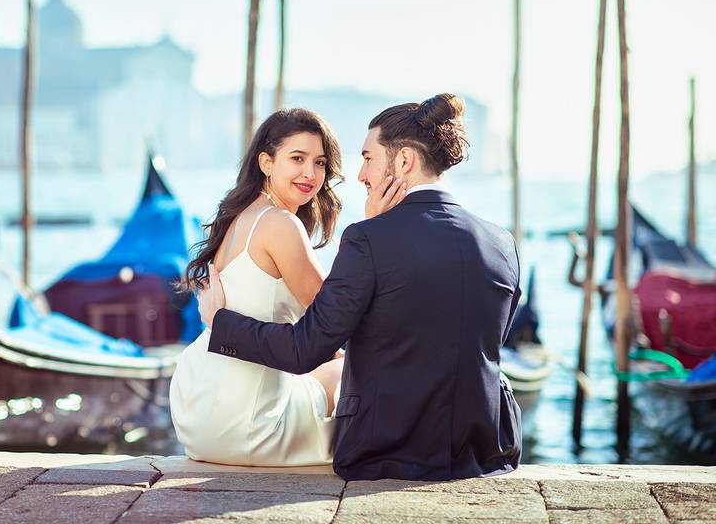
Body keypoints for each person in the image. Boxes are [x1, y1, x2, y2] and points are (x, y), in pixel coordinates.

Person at [198, 94, 523, 481]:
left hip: (384, 448)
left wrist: (221, 322)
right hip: (485, 448)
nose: (361, 175)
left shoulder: (368, 239)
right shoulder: (503, 242)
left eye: (368, 158)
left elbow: (306, 348)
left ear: (404, 161)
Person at [169, 108, 406, 466]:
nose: (310, 174)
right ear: (266, 162)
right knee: (365, 369)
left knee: (329, 366)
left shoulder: (241, 217)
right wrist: (375, 225)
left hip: (199, 411)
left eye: (320, 162)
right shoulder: (280, 224)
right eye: (297, 158)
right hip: (247, 423)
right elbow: (336, 316)